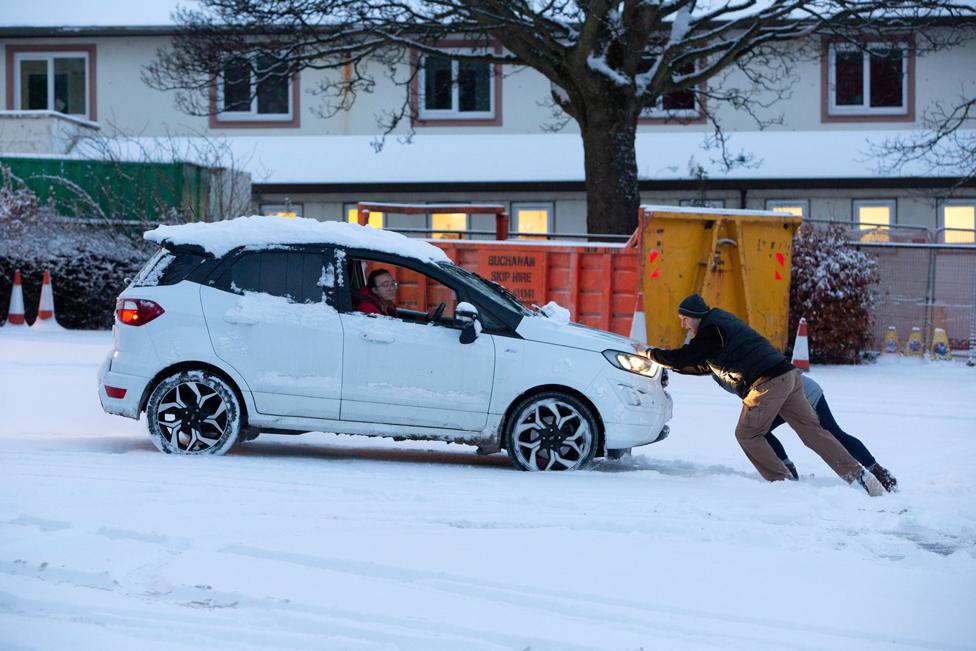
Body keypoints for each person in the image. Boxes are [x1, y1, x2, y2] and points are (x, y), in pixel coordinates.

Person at [646, 293, 884, 496]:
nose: (683, 324)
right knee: (814, 433)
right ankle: (860, 477)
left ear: (694, 315)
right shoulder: (719, 327)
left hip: (768, 382)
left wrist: (651, 354)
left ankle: (784, 484)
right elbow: (697, 365)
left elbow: (688, 356)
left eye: (684, 319)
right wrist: (664, 363)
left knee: (747, 433)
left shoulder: (712, 329)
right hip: (788, 376)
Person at [711, 373, 898, 491]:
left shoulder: (737, 361)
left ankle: (878, 472)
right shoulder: (721, 370)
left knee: (833, 433)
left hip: (803, 393)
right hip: (778, 401)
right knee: (757, 431)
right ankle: (788, 469)